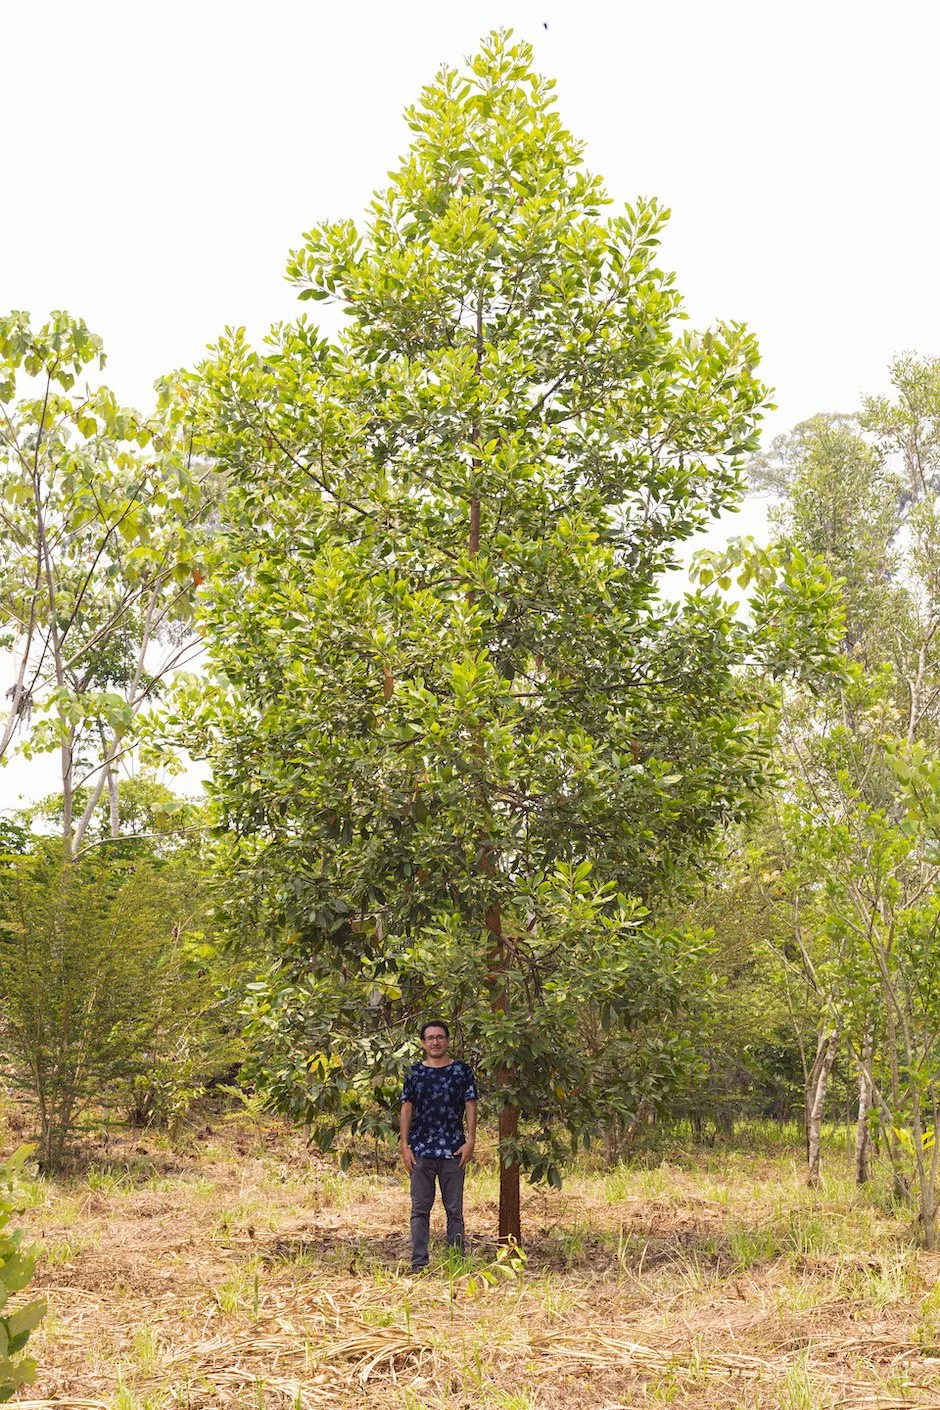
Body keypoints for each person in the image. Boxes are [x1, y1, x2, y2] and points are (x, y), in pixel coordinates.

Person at [399, 1019, 478, 1273]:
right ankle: (419, 1264)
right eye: (430, 1038)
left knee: (454, 1210)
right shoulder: (414, 1073)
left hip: (454, 1151)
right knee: (420, 1210)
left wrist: (471, 1140)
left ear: (448, 1041)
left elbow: (470, 1104)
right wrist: (404, 1144)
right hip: (421, 1152)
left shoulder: (461, 1071)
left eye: (440, 1037)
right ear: (423, 1043)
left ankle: (456, 1262)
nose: (435, 1042)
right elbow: (407, 1107)